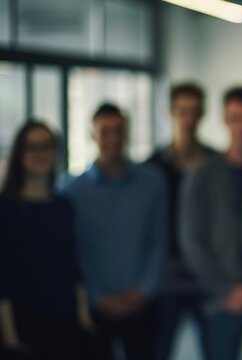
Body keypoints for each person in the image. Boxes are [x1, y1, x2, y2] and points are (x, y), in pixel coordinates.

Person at [61, 104, 168, 360]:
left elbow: (158, 240)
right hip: (94, 305)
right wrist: (97, 296)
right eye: (105, 131)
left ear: (127, 134)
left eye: (118, 131)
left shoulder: (151, 182)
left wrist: (142, 291)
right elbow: (74, 251)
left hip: (141, 302)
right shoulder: (71, 191)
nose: (112, 139)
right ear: (92, 135)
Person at [180, 86, 242, 360]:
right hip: (221, 294)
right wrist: (226, 289)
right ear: (224, 120)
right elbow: (191, 240)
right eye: (235, 117)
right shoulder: (202, 175)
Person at [0, 122, 99, 360]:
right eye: (32, 147)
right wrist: (10, 338)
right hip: (24, 324)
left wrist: (84, 318)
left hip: (65, 320)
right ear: (19, 153)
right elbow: (2, 277)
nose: (40, 153)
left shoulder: (64, 206)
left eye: (46, 146)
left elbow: (72, 266)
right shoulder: (5, 209)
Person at [145, 82, 216, 360]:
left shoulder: (215, 163)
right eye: (182, 111)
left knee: (216, 350)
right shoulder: (153, 166)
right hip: (167, 274)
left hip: (206, 272)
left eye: (194, 112)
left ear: (202, 115)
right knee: (160, 349)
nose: (188, 119)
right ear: (170, 113)